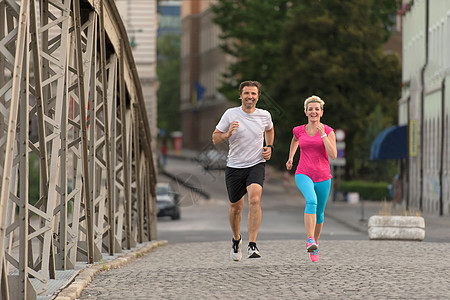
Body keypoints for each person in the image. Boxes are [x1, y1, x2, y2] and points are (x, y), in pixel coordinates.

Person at [212, 80, 274, 261]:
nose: (250, 97)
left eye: (253, 94)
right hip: (235, 166)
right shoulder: (230, 114)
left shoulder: (264, 115)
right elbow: (215, 138)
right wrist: (227, 134)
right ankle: (236, 239)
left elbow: (270, 130)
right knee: (236, 207)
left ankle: (252, 244)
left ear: (258, 96)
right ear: (241, 95)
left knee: (255, 198)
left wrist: (269, 147)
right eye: (247, 93)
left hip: (256, 163)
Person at [285, 95, 337, 262]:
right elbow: (294, 140)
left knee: (320, 215)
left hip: (323, 176)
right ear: (306, 112)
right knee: (311, 201)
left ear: (321, 112)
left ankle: (316, 244)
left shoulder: (329, 131)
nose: (313, 111)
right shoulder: (298, 130)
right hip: (303, 173)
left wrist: (323, 135)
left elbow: (333, 155)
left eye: (316, 109)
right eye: (310, 109)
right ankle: (310, 240)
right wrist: (291, 157)